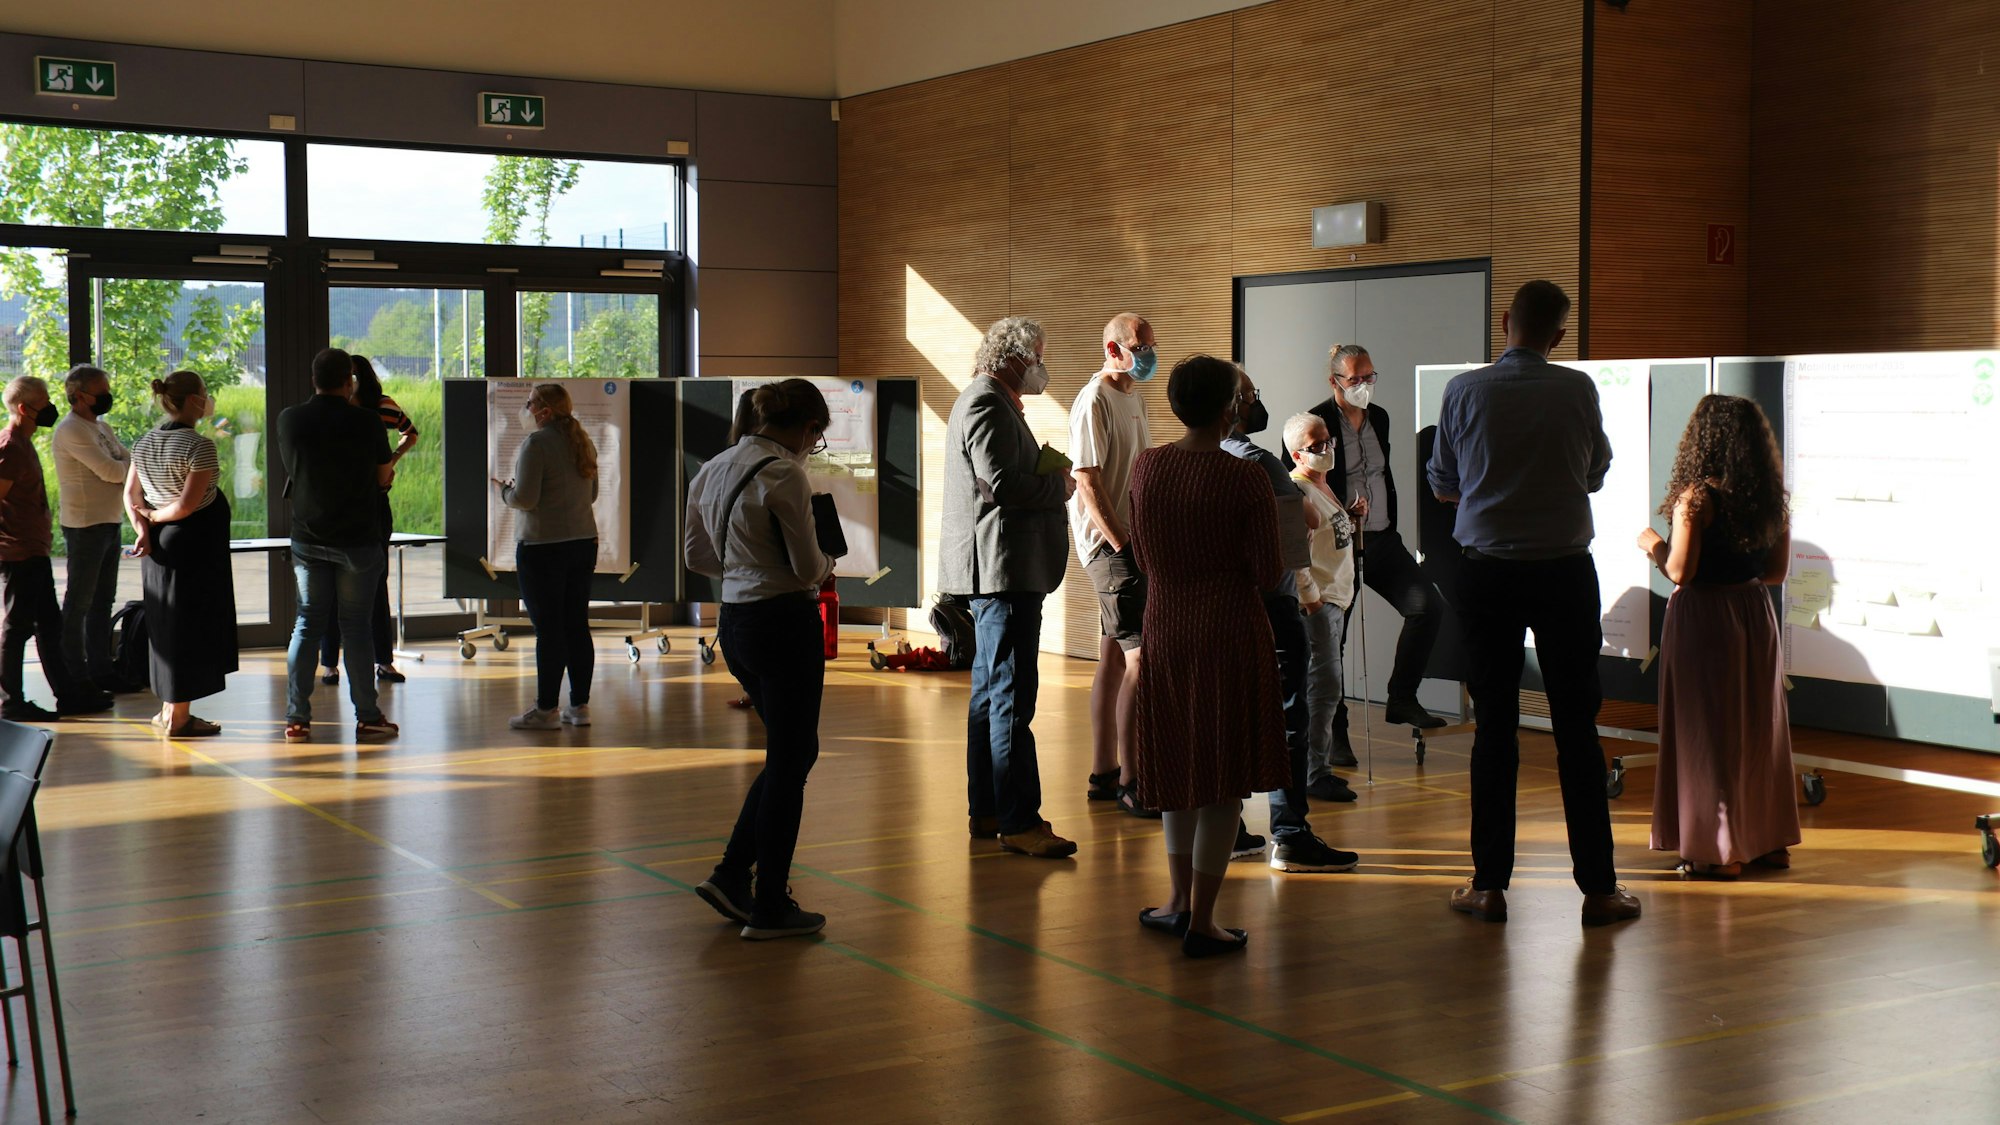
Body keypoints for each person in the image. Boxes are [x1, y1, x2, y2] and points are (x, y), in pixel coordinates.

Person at [1427, 280, 1638, 926]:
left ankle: (1488, 885)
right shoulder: (1578, 389)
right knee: (1578, 726)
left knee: (1495, 724)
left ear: (1505, 321)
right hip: (1565, 573)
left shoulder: (1463, 391)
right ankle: (1600, 889)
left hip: (1487, 572)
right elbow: (1596, 472)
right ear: (1559, 337)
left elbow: (1443, 483)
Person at [1131, 355, 1292, 956]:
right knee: (1223, 779)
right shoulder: (1243, 477)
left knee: (1178, 764)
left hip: (1165, 622)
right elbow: (1268, 570)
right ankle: (1203, 919)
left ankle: (1175, 901)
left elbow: (1142, 553)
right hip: (1227, 625)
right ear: (1230, 408)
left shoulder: (1150, 467)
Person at [684, 379, 838, 940]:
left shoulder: (713, 466)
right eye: (816, 438)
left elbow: (697, 554)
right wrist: (825, 564)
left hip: (736, 622)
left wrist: (747, 568)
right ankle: (769, 902)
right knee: (792, 760)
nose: (811, 448)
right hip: (783, 622)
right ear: (807, 428)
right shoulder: (784, 473)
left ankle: (731, 875)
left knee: (790, 755)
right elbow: (805, 568)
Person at [1638, 395, 1799, 879]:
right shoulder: (1771, 499)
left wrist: (1652, 545)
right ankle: (1768, 842)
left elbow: (1681, 572)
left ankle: (1718, 851)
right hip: (1753, 615)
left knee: (1705, 733)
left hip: (1706, 618)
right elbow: (1775, 573)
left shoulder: (1697, 498)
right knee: (1757, 729)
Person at [940, 316, 1078, 859]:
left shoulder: (989, 401)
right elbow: (999, 484)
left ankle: (990, 809)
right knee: (1012, 698)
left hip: (1003, 572)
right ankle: (1019, 821)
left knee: (989, 698)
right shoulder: (984, 402)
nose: (1043, 366)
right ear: (1014, 357)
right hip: (1003, 573)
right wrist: (1058, 485)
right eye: (1038, 355)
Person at [1222, 368, 1360, 872]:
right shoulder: (1257, 460)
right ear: (1233, 404)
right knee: (1289, 718)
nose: (1259, 402)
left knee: (1231, 717)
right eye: (1253, 396)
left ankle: (1228, 827)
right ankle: (1290, 832)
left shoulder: (1169, 461)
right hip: (1275, 601)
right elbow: (1297, 525)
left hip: (1219, 606)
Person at [1310, 343, 1446, 738]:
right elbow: (1298, 478)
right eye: (1355, 378)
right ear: (1334, 380)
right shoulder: (1316, 420)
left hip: (1383, 538)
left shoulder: (1379, 418)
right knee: (1334, 639)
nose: (1364, 385)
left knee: (1427, 607)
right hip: (1339, 544)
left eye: (1369, 377)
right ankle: (1334, 735)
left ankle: (1402, 698)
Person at [277, 347, 399, 744]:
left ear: (314, 379)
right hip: (359, 540)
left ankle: (297, 719)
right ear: (349, 382)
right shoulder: (366, 422)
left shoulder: (290, 419)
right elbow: (383, 477)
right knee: (357, 628)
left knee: (307, 623)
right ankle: (368, 717)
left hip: (309, 538)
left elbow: (295, 470)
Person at [1068, 312, 1157, 818]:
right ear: (1112, 348)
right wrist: (1122, 545)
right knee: (1140, 659)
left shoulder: (1132, 395)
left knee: (1112, 656)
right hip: (1110, 547)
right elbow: (1088, 480)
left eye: (1150, 345)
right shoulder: (1094, 400)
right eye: (1138, 346)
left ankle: (1103, 772)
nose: (1147, 354)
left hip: (1129, 540)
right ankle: (1134, 780)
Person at [125, 370, 237, 737]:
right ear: (192, 400)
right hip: (193, 546)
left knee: (167, 626)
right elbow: (187, 506)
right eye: (205, 392)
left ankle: (168, 710)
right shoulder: (199, 445)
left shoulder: (144, 442)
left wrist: (144, 529)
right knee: (190, 627)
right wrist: (157, 516)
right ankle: (180, 717)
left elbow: (131, 496)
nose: (208, 399)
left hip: (159, 545)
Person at [0, 376, 113, 722]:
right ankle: (10, 701)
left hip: (35, 550)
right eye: (44, 401)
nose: (51, 406)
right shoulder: (9, 447)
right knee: (16, 627)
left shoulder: (24, 442)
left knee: (50, 625)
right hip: (17, 554)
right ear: (24, 408)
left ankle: (69, 694)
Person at [495, 383, 599, 731]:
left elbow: (525, 498)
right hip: (584, 543)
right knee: (576, 624)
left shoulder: (537, 443)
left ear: (545, 411)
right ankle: (579, 706)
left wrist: (504, 491)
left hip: (543, 547)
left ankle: (545, 710)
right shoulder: (581, 442)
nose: (526, 409)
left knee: (549, 630)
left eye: (530, 404)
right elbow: (593, 493)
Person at [319, 355, 417, 687]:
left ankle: (350, 662)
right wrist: (391, 460)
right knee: (363, 582)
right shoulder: (368, 407)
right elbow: (410, 433)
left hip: (361, 501)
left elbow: (410, 433)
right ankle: (359, 662)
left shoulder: (358, 409)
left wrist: (392, 458)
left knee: (357, 583)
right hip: (365, 499)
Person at [1284, 411, 1359, 801]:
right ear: (1297, 454)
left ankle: (1318, 768)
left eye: (1328, 441)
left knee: (1326, 689)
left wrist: (1350, 516)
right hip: (1320, 603)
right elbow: (1297, 556)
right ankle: (1315, 773)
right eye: (1316, 446)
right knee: (1323, 689)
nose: (1327, 449)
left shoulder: (1324, 487)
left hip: (1336, 599)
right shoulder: (1299, 491)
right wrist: (1312, 601)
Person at [52, 364, 135, 693]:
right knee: (79, 604)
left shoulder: (102, 426)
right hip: (85, 525)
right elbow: (114, 472)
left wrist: (128, 465)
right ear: (79, 396)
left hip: (109, 522)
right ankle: (75, 675)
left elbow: (127, 462)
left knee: (102, 602)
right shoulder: (71, 430)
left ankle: (101, 670)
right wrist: (130, 466)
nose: (107, 397)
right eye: (101, 392)